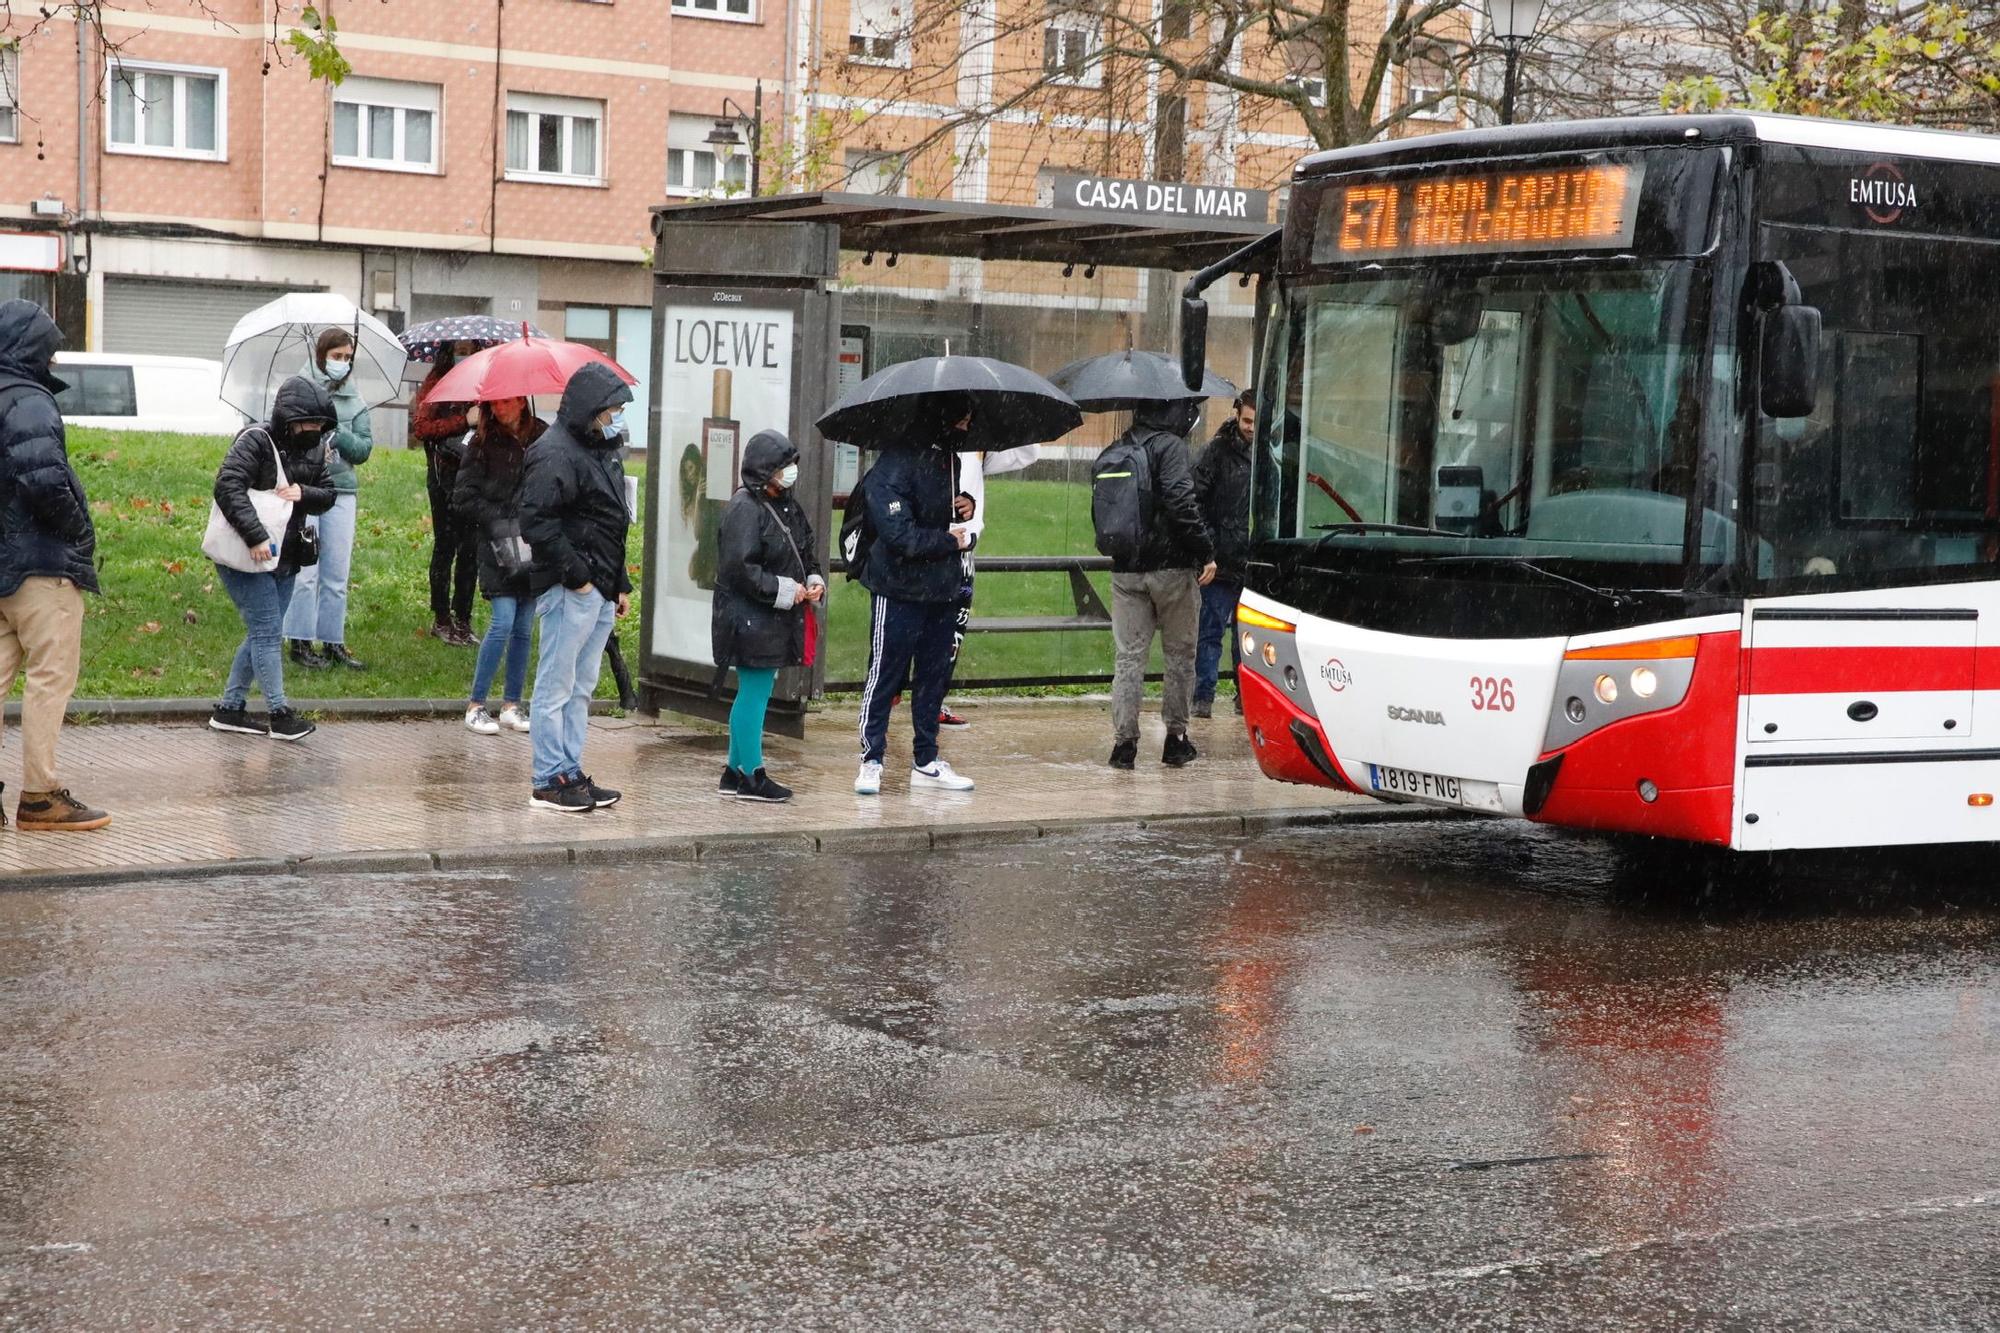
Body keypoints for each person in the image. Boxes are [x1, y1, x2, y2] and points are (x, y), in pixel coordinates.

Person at [0, 300, 109, 831]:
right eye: (50, 350)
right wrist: (77, 530)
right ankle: (40, 796)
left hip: (1, 567)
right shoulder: (28, 400)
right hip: (41, 566)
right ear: (30, 350)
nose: (56, 361)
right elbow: (42, 479)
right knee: (49, 679)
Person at [519, 362, 633, 814]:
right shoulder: (555, 453)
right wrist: (581, 578)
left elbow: (610, 520)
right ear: (592, 410)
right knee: (556, 687)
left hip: (597, 587)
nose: (617, 418)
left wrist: (616, 583)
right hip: (573, 588)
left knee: (580, 687)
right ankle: (548, 779)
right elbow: (537, 523)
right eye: (613, 410)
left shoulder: (598, 447)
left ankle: (569, 771)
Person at [853, 398, 978, 797]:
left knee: (932, 678)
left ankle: (926, 761)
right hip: (898, 589)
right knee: (885, 676)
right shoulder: (893, 464)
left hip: (941, 589)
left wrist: (964, 506)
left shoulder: (948, 459)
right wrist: (947, 539)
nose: (964, 427)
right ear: (940, 418)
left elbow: (936, 514)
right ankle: (871, 760)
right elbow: (898, 534)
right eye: (960, 419)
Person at [208, 376, 338, 743]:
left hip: (287, 554)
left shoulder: (315, 449)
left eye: (320, 425)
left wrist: (303, 492)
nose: (315, 431)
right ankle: (279, 714)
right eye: (308, 423)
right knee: (267, 632)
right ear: (289, 420)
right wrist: (256, 535)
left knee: (263, 632)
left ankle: (230, 709)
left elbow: (328, 494)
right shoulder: (255, 441)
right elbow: (227, 486)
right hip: (245, 553)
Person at [1100, 397, 1215, 770]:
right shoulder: (1171, 447)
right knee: (1180, 656)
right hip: (1171, 568)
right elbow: (1182, 503)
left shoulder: (1115, 450)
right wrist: (1205, 551)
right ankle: (1176, 739)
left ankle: (1124, 745)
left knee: (1129, 658)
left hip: (1125, 568)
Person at [713, 430, 823, 803]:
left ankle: (733, 772)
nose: (791, 471)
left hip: (769, 618)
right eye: (784, 465)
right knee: (755, 694)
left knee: (752, 692)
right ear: (766, 471)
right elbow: (740, 570)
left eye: (792, 463)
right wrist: (787, 591)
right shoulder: (745, 508)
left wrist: (813, 578)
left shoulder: (786, 504)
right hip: (749, 618)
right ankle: (752, 775)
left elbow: (804, 548)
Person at [454, 394, 546, 737]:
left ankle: (511, 703)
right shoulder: (481, 443)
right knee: (503, 620)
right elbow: (463, 497)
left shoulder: (541, 436)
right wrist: (501, 517)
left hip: (532, 542)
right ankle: (476, 704)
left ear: (522, 402)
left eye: (506, 401)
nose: (498, 408)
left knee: (524, 626)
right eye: (494, 403)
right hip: (496, 544)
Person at [283, 327, 373, 671]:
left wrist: (339, 433)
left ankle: (333, 641)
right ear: (321, 356)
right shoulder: (299, 389)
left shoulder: (355, 399)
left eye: (348, 358)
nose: (342, 363)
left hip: (341, 492)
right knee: (306, 571)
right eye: (336, 357)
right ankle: (300, 641)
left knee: (336, 573)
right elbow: (284, 433)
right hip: (305, 490)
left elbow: (364, 448)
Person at [412, 339, 480, 645]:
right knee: (446, 545)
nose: (463, 356)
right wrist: (462, 421)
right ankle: (441, 617)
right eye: (459, 350)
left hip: (476, 474)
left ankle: (463, 618)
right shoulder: (437, 382)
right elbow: (422, 427)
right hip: (443, 475)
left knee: (471, 549)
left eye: (469, 350)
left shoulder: (484, 382)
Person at [1191, 390, 1254, 718]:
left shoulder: (1269, 453)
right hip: (1222, 561)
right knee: (1211, 631)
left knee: (1248, 637)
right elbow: (1196, 501)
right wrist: (1209, 550)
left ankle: (1247, 699)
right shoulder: (1216, 452)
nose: (1252, 428)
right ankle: (1204, 697)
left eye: (1257, 422)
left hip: (1252, 563)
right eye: (1247, 421)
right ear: (1236, 416)